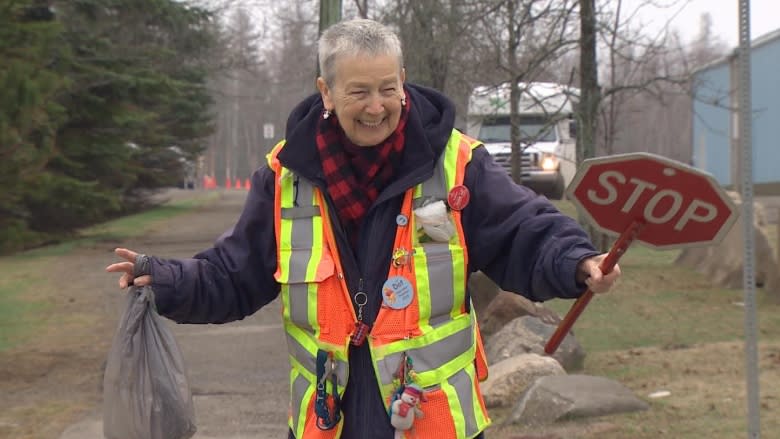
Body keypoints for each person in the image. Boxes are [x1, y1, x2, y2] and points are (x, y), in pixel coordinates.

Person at [106, 18, 620, 439]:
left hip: (432, 423)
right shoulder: (286, 176)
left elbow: (525, 230)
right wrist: (168, 280)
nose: (378, 107)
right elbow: (235, 273)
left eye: (388, 89)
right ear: (325, 91)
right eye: (360, 92)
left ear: (403, 80)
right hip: (330, 421)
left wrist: (577, 262)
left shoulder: (459, 164)